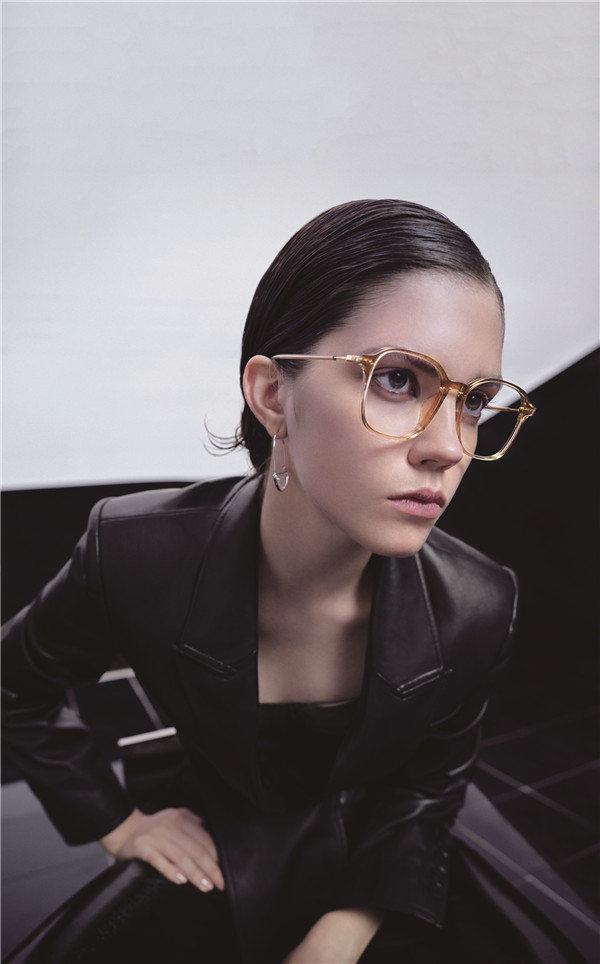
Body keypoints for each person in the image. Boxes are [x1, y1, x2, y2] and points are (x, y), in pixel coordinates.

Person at [2, 199, 537, 964]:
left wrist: (343, 934)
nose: (449, 448)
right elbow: (13, 685)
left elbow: (427, 788)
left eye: (474, 402)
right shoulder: (134, 550)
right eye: (397, 380)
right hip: (213, 858)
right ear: (272, 395)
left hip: (381, 872)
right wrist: (118, 823)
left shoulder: (480, 602)